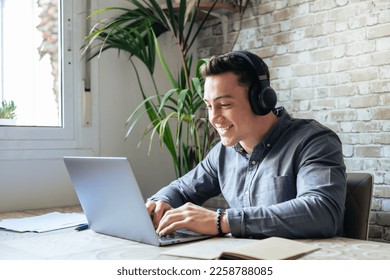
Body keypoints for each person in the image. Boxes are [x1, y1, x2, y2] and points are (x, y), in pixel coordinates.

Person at [146, 50, 347, 239]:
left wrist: (222, 221)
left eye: (224, 105)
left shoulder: (314, 142)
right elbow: (181, 189)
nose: (213, 118)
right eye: (208, 106)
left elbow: (322, 212)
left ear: (261, 100)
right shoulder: (223, 154)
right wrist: (159, 203)